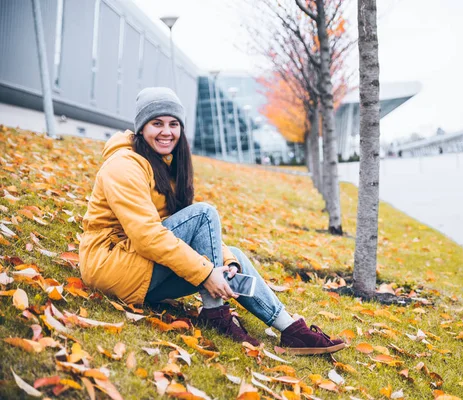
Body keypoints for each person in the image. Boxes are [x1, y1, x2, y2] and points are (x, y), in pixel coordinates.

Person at [79, 87, 345, 355]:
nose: (166, 131)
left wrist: (224, 263)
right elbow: (147, 236)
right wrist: (207, 273)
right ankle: (215, 313)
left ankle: (291, 330)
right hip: (110, 267)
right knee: (204, 214)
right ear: (141, 128)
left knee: (235, 258)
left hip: (140, 271)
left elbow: (179, 229)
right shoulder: (124, 166)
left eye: (173, 124)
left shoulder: (165, 164)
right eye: (156, 123)